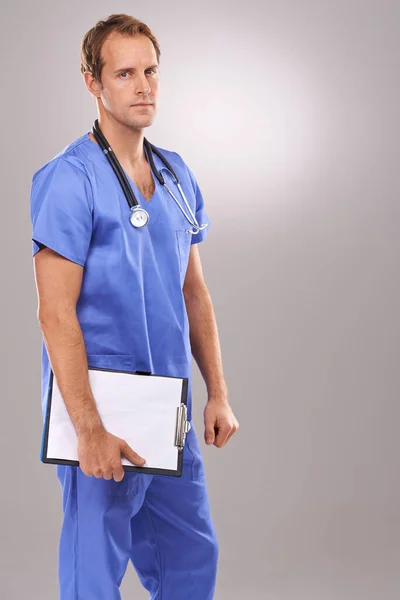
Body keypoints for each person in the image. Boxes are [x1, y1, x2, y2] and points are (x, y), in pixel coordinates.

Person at [30, 12, 239, 600]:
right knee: (94, 569)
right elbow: (54, 313)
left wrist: (216, 391)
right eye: (125, 74)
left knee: (190, 557)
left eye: (150, 71)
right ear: (93, 83)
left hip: (166, 406)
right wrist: (88, 427)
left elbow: (193, 292)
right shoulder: (69, 179)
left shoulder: (175, 175)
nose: (144, 86)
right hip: (101, 407)